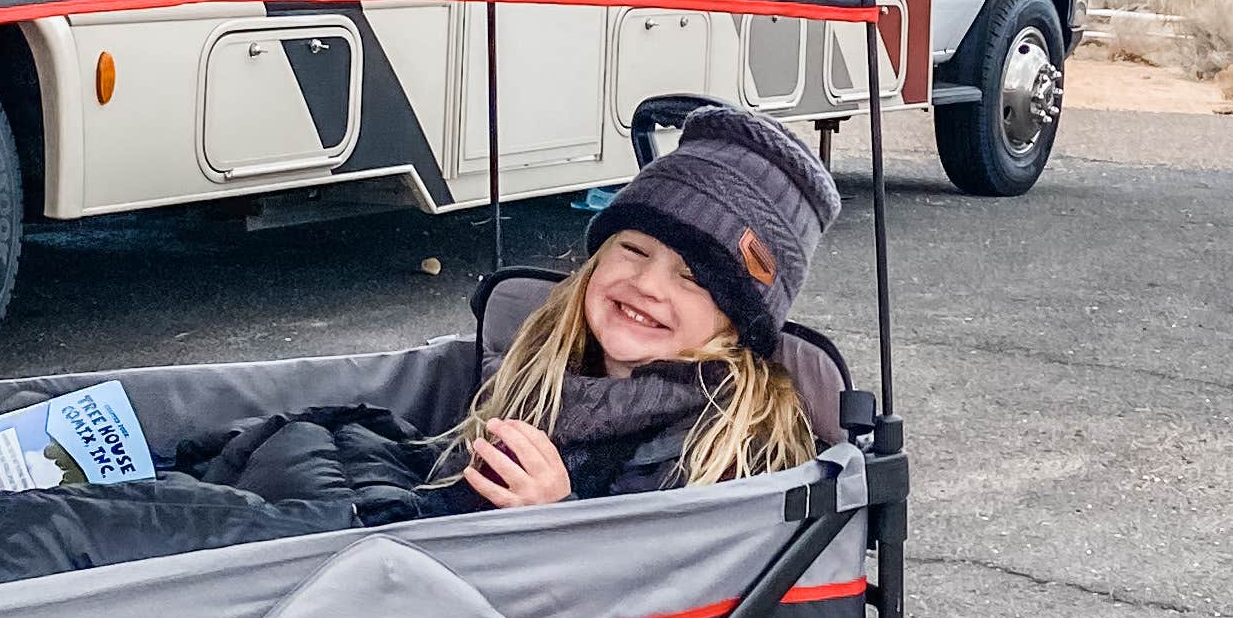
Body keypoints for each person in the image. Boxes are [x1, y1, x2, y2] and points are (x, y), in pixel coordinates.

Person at [190, 101, 842, 523]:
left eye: (693, 278)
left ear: (739, 321)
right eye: (633, 249)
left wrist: (558, 515)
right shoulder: (535, 366)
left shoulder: (731, 441)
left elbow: (670, 598)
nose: (647, 283)